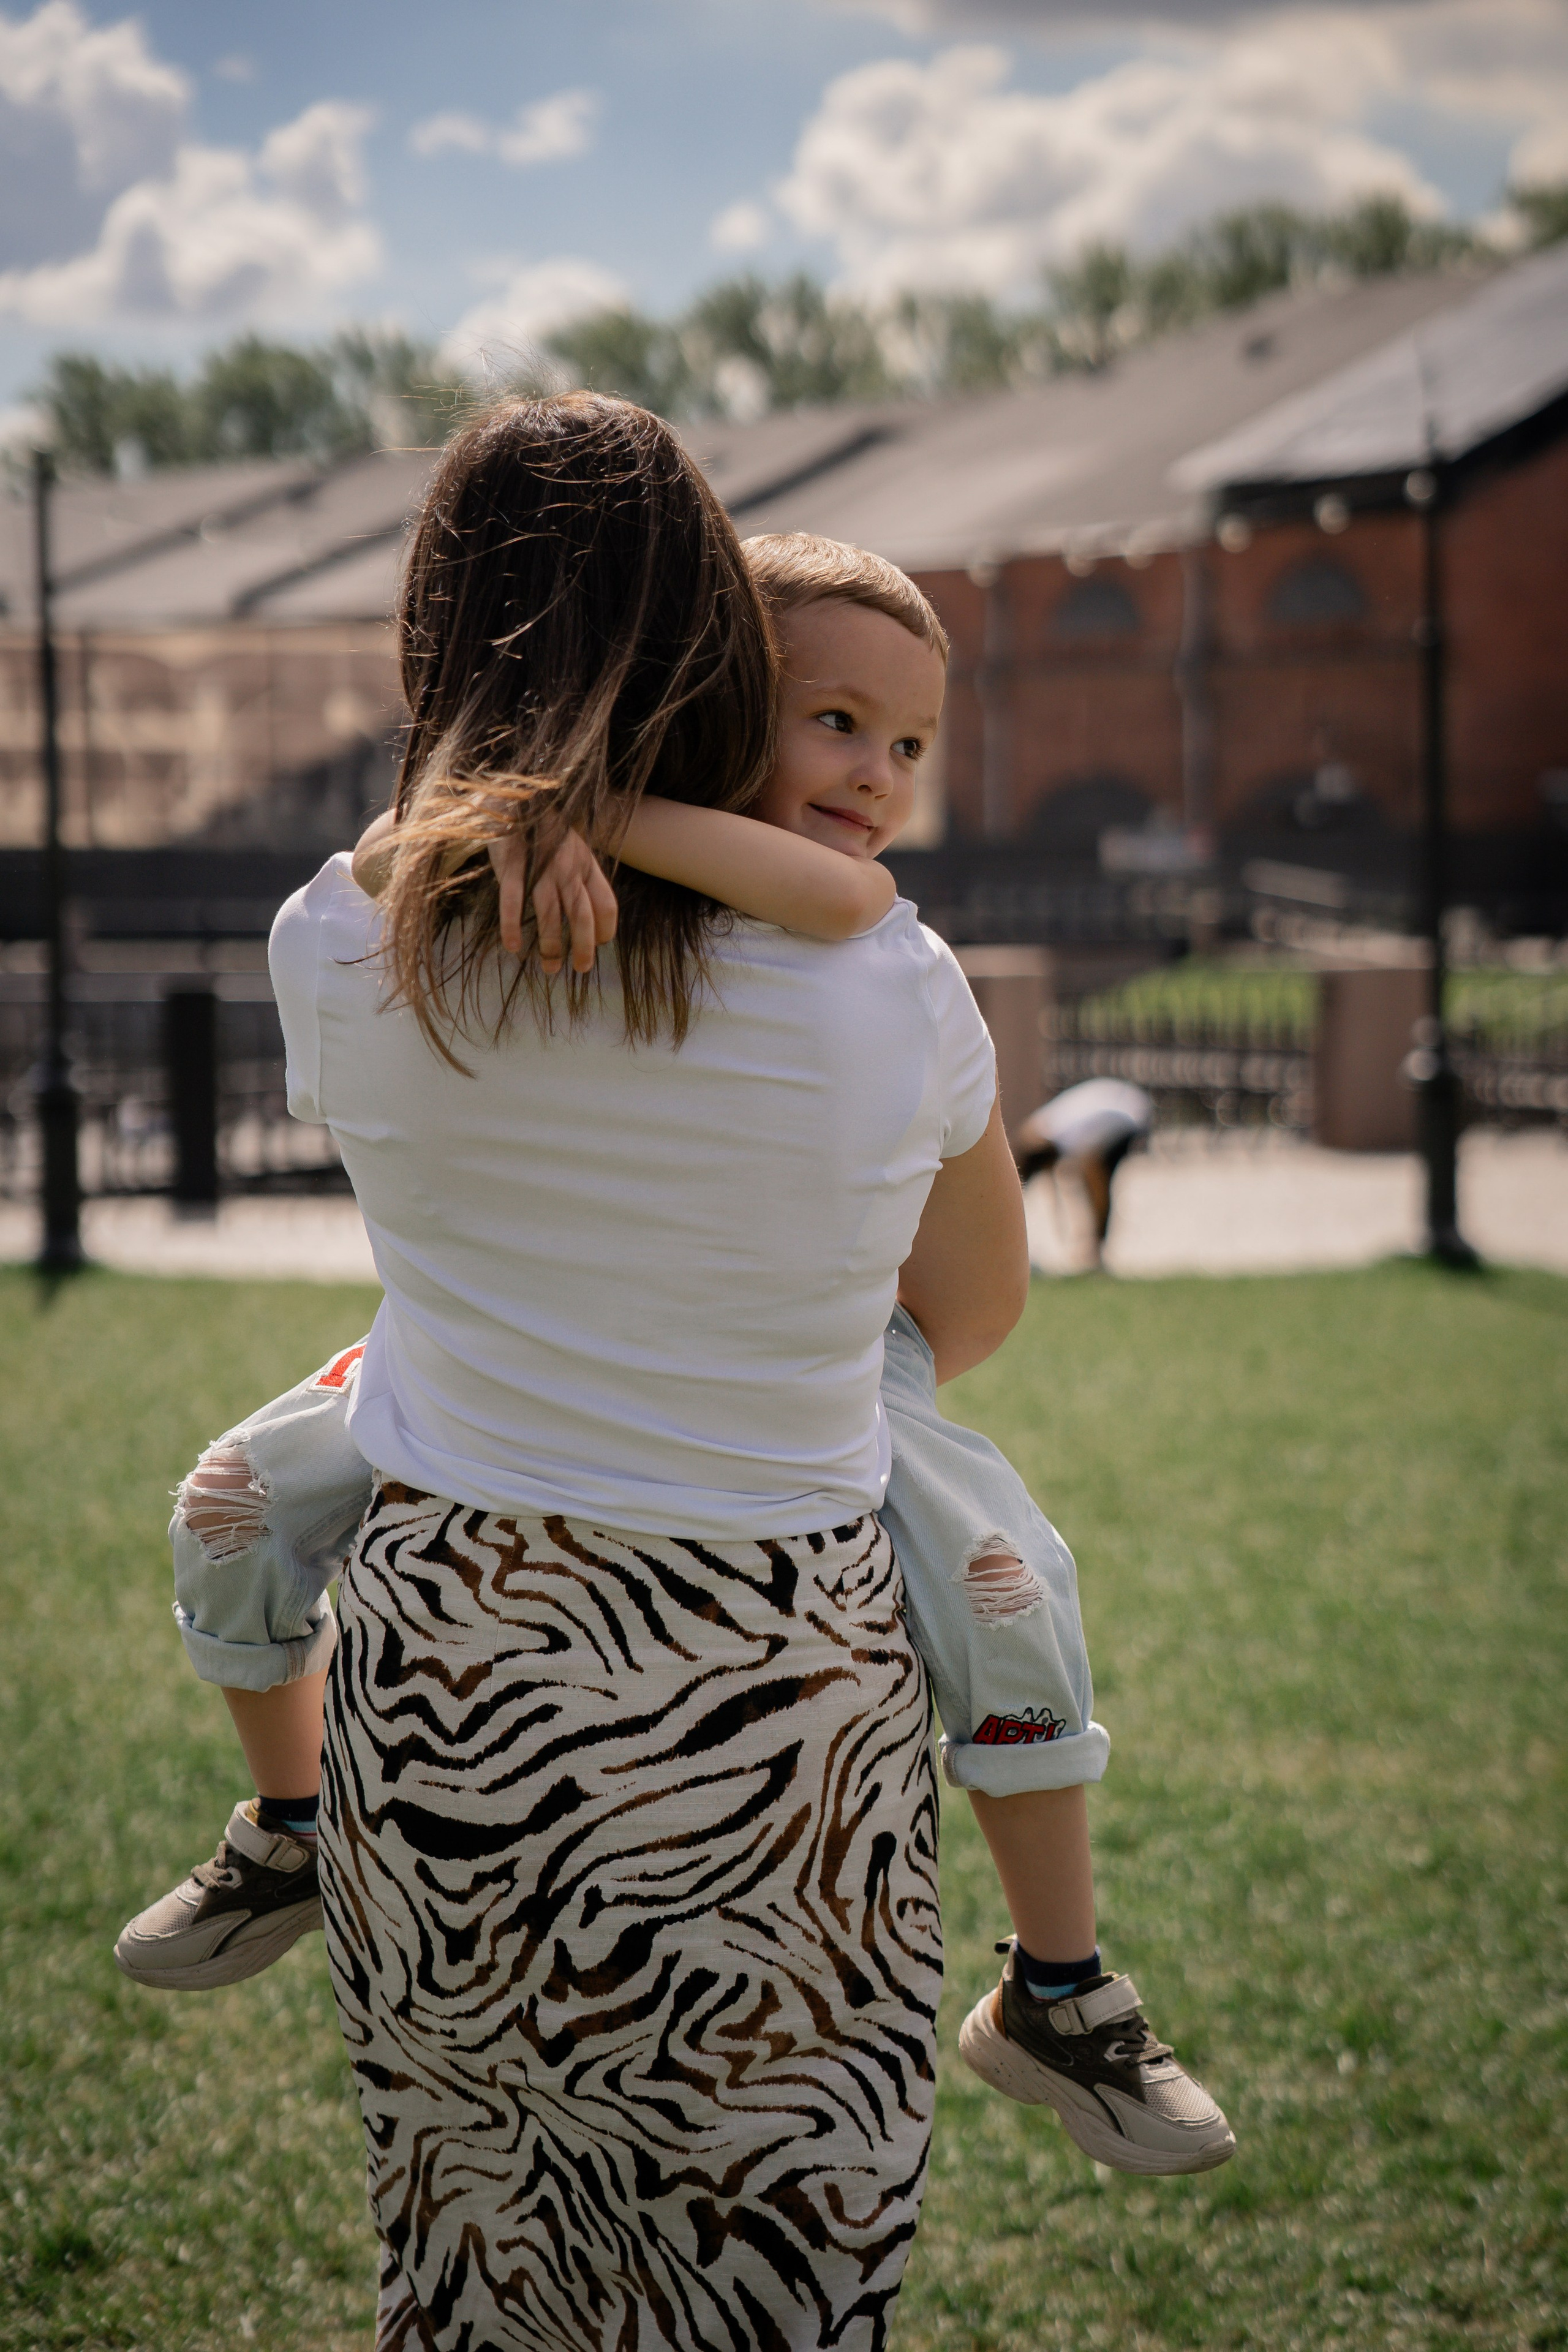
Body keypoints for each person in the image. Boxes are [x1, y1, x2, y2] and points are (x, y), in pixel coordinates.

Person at [116, 511, 1231, 2256]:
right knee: (226, 1505)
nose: (879, 773)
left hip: (794, 1399)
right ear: (705, 700)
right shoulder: (543, 897)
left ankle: (1062, 1984)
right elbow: (984, 1289)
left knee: (1015, 1592)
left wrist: (585, 809)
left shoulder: (818, 922)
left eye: (912, 742)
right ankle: (283, 1810)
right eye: (835, 721)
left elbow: (846, 895)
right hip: (505, 1407)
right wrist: (553, 814)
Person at [1015, 1077, 1155, 1270]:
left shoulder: (1071, 1139)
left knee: (1099, 1187)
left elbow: (1093, 1174)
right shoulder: (1045, 1129)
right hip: (1119, 1099)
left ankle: (1096, 1251)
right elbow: (1053, 1188)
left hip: (1128, 1116)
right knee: (1089, 1187)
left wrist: (1087, 1229)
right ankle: (1093, 1249)